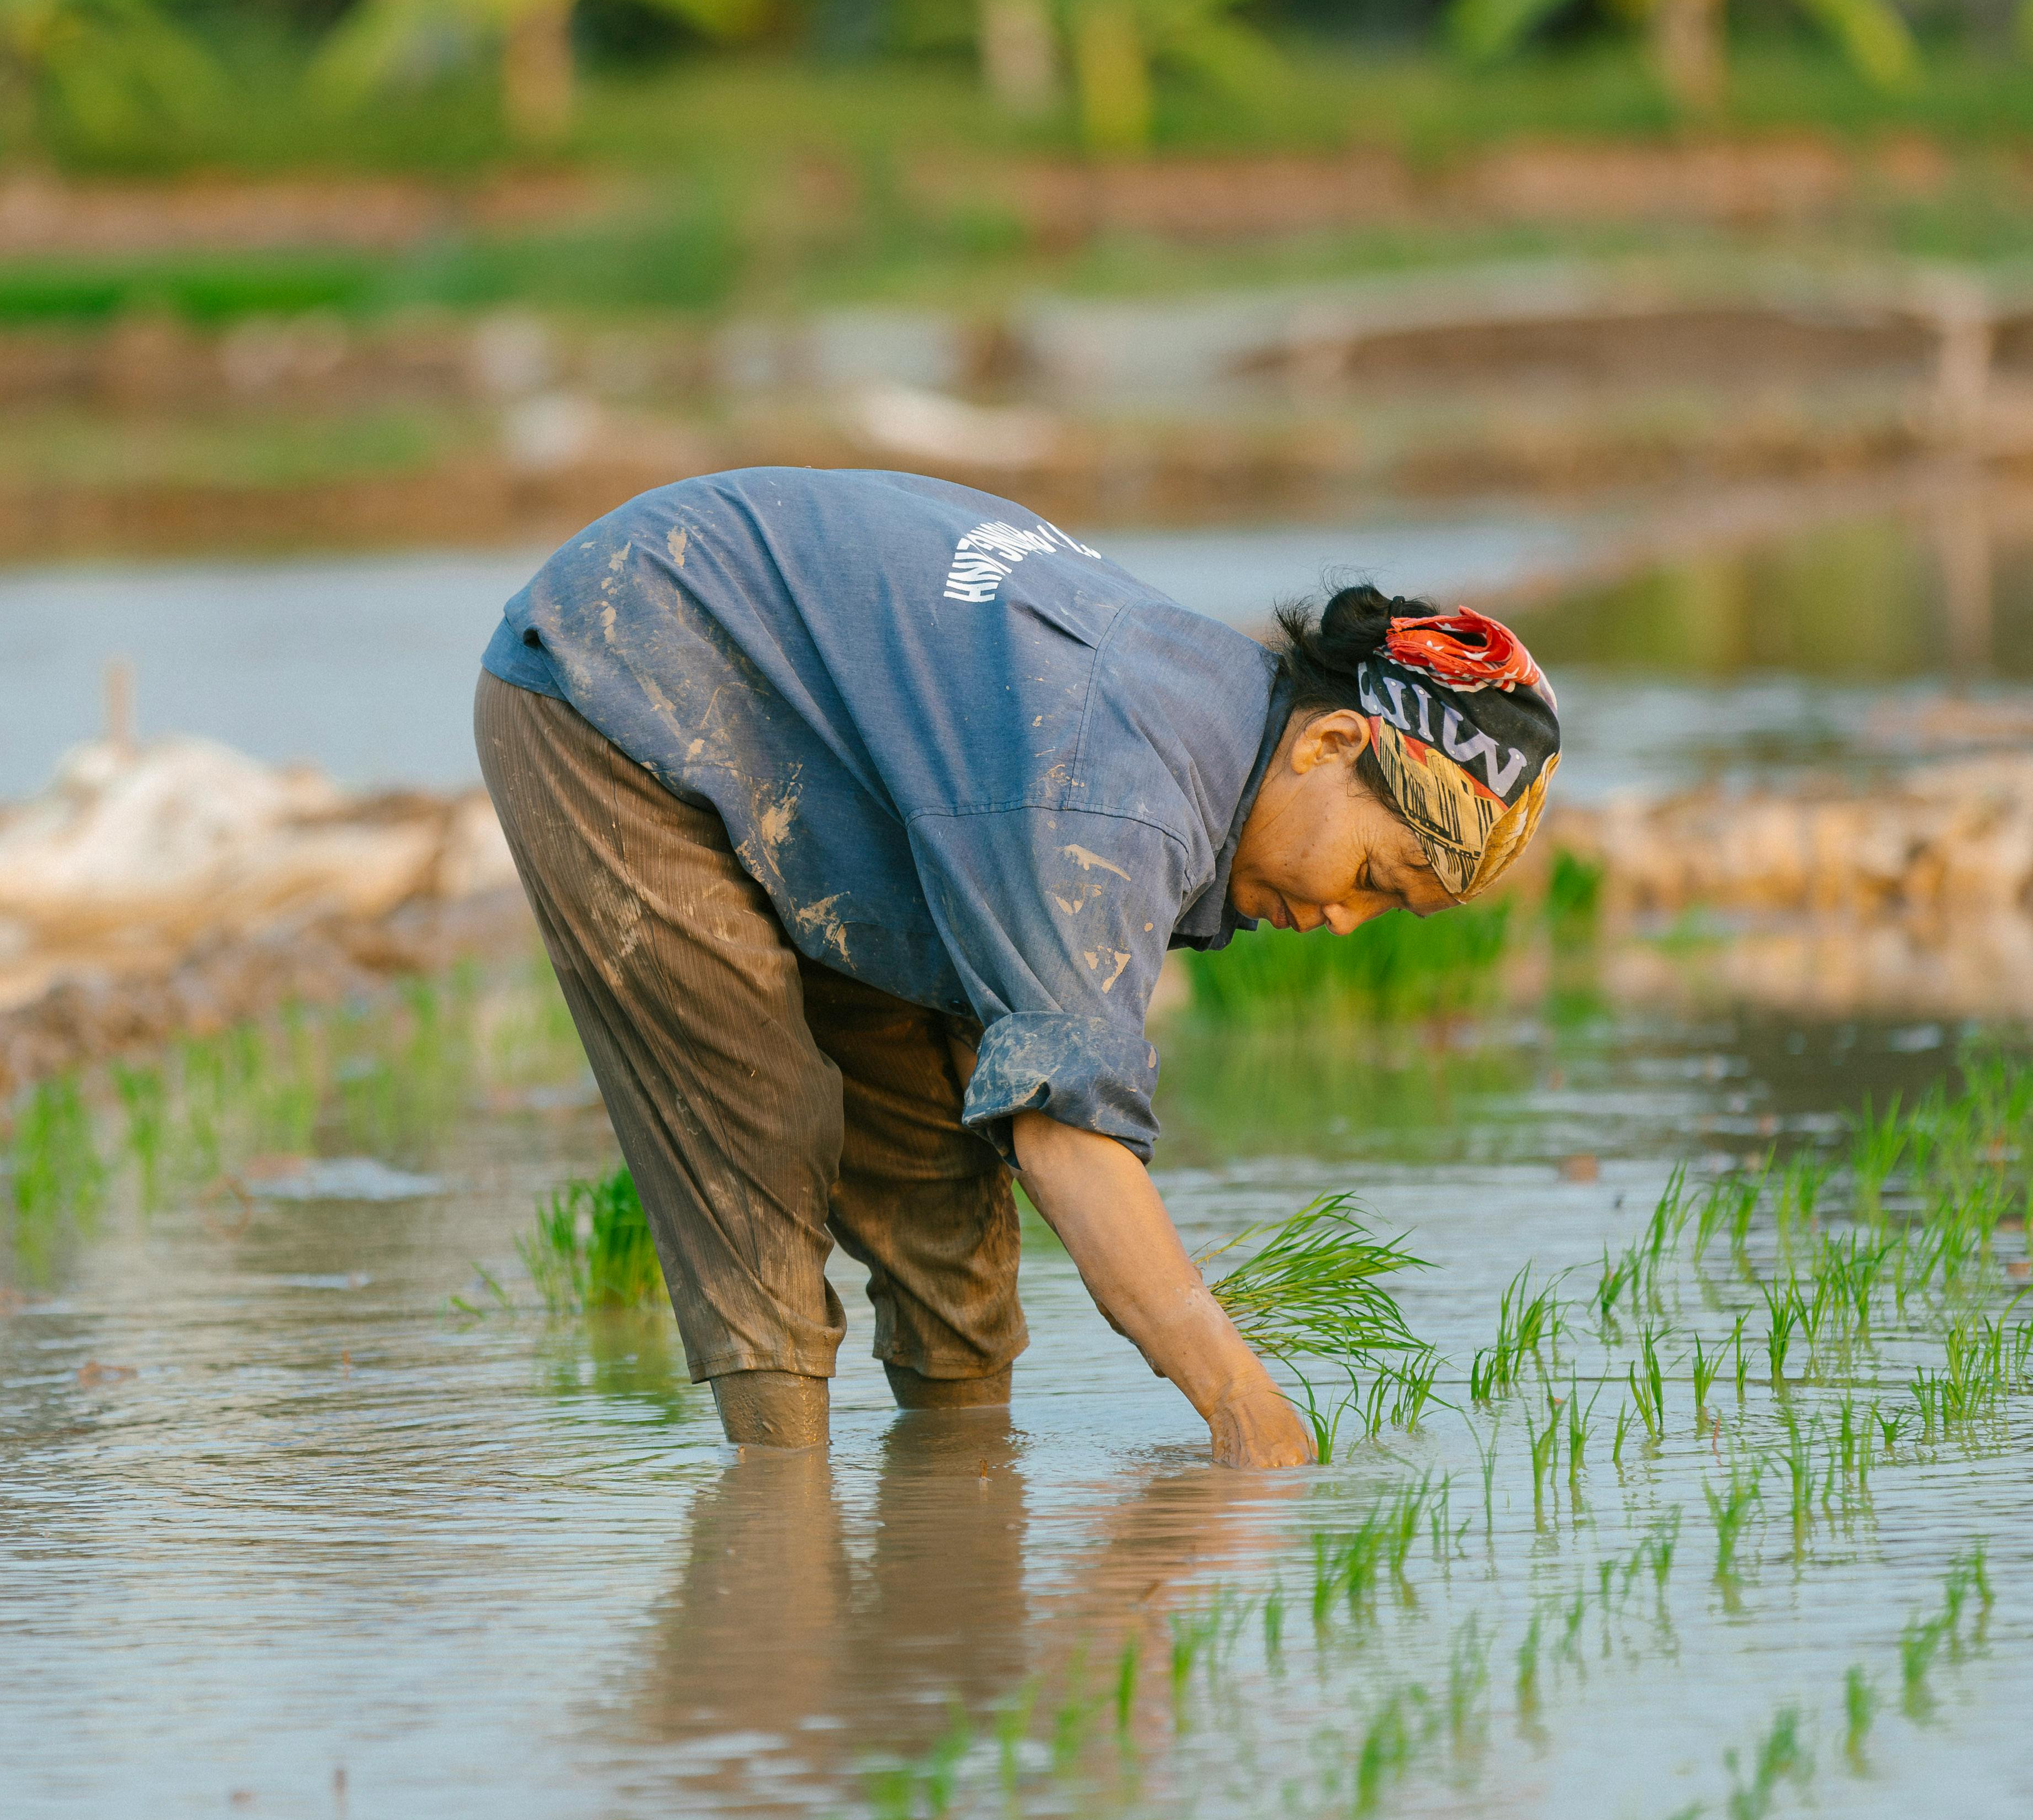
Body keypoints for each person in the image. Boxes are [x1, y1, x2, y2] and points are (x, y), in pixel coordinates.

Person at [472, 467, 1560, 1465]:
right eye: (1376, 873)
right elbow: (1070, 1138)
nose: (1344, 921)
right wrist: (1245, 1410)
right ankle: (777, 1553)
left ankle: (954, 1548)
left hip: (854, 773)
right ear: (1332, 745)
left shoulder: (1209, 728)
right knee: (760, 1132)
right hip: (622, 670)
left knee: (946, 1205)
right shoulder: (1114, 787)